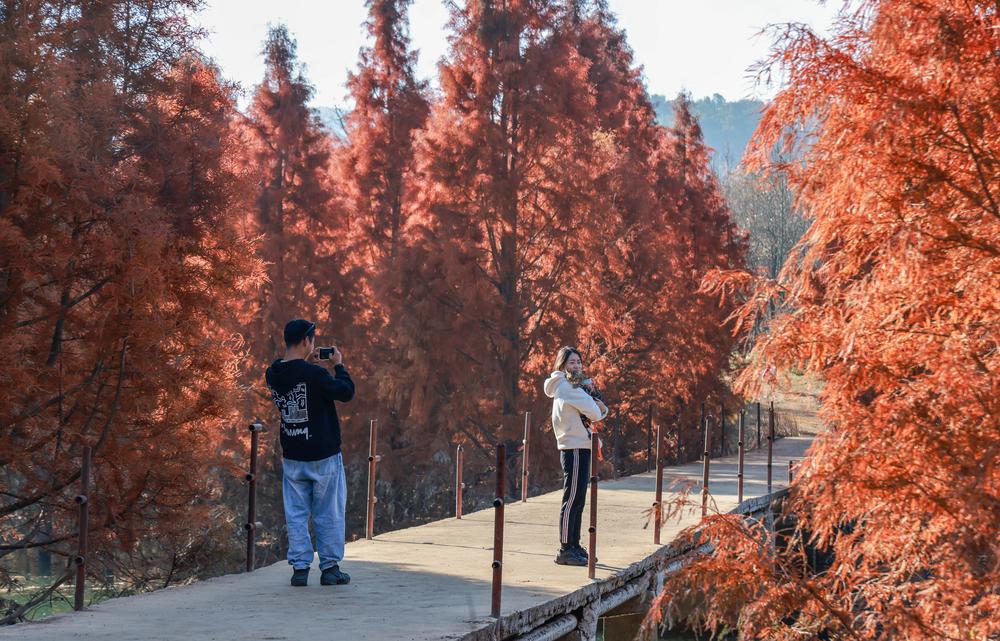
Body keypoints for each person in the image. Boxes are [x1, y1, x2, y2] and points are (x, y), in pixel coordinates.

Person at [265, 319, 355, 587]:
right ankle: (330, 568)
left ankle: (300, 569)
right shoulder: (315, 375)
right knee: (329, 512)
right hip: (323, 454)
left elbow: (296, 377)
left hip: (293, 454)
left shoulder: (272, 374)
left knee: (296, 514)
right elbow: (345, 392)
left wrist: (309, 364)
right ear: (306, 341)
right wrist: (338, 365)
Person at [543, 346, 609, 566]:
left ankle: (574, 545)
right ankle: (565, 548)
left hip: (580, 444)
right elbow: (595, 411)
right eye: (571, 362)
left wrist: (599, 408)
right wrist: (600, 408)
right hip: (574, 446)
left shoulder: (574, 386)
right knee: (572, 498)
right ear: (562, 365)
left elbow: (596, 410)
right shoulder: (567, 386)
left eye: (579, 362)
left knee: (578, 498)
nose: (576, 366)